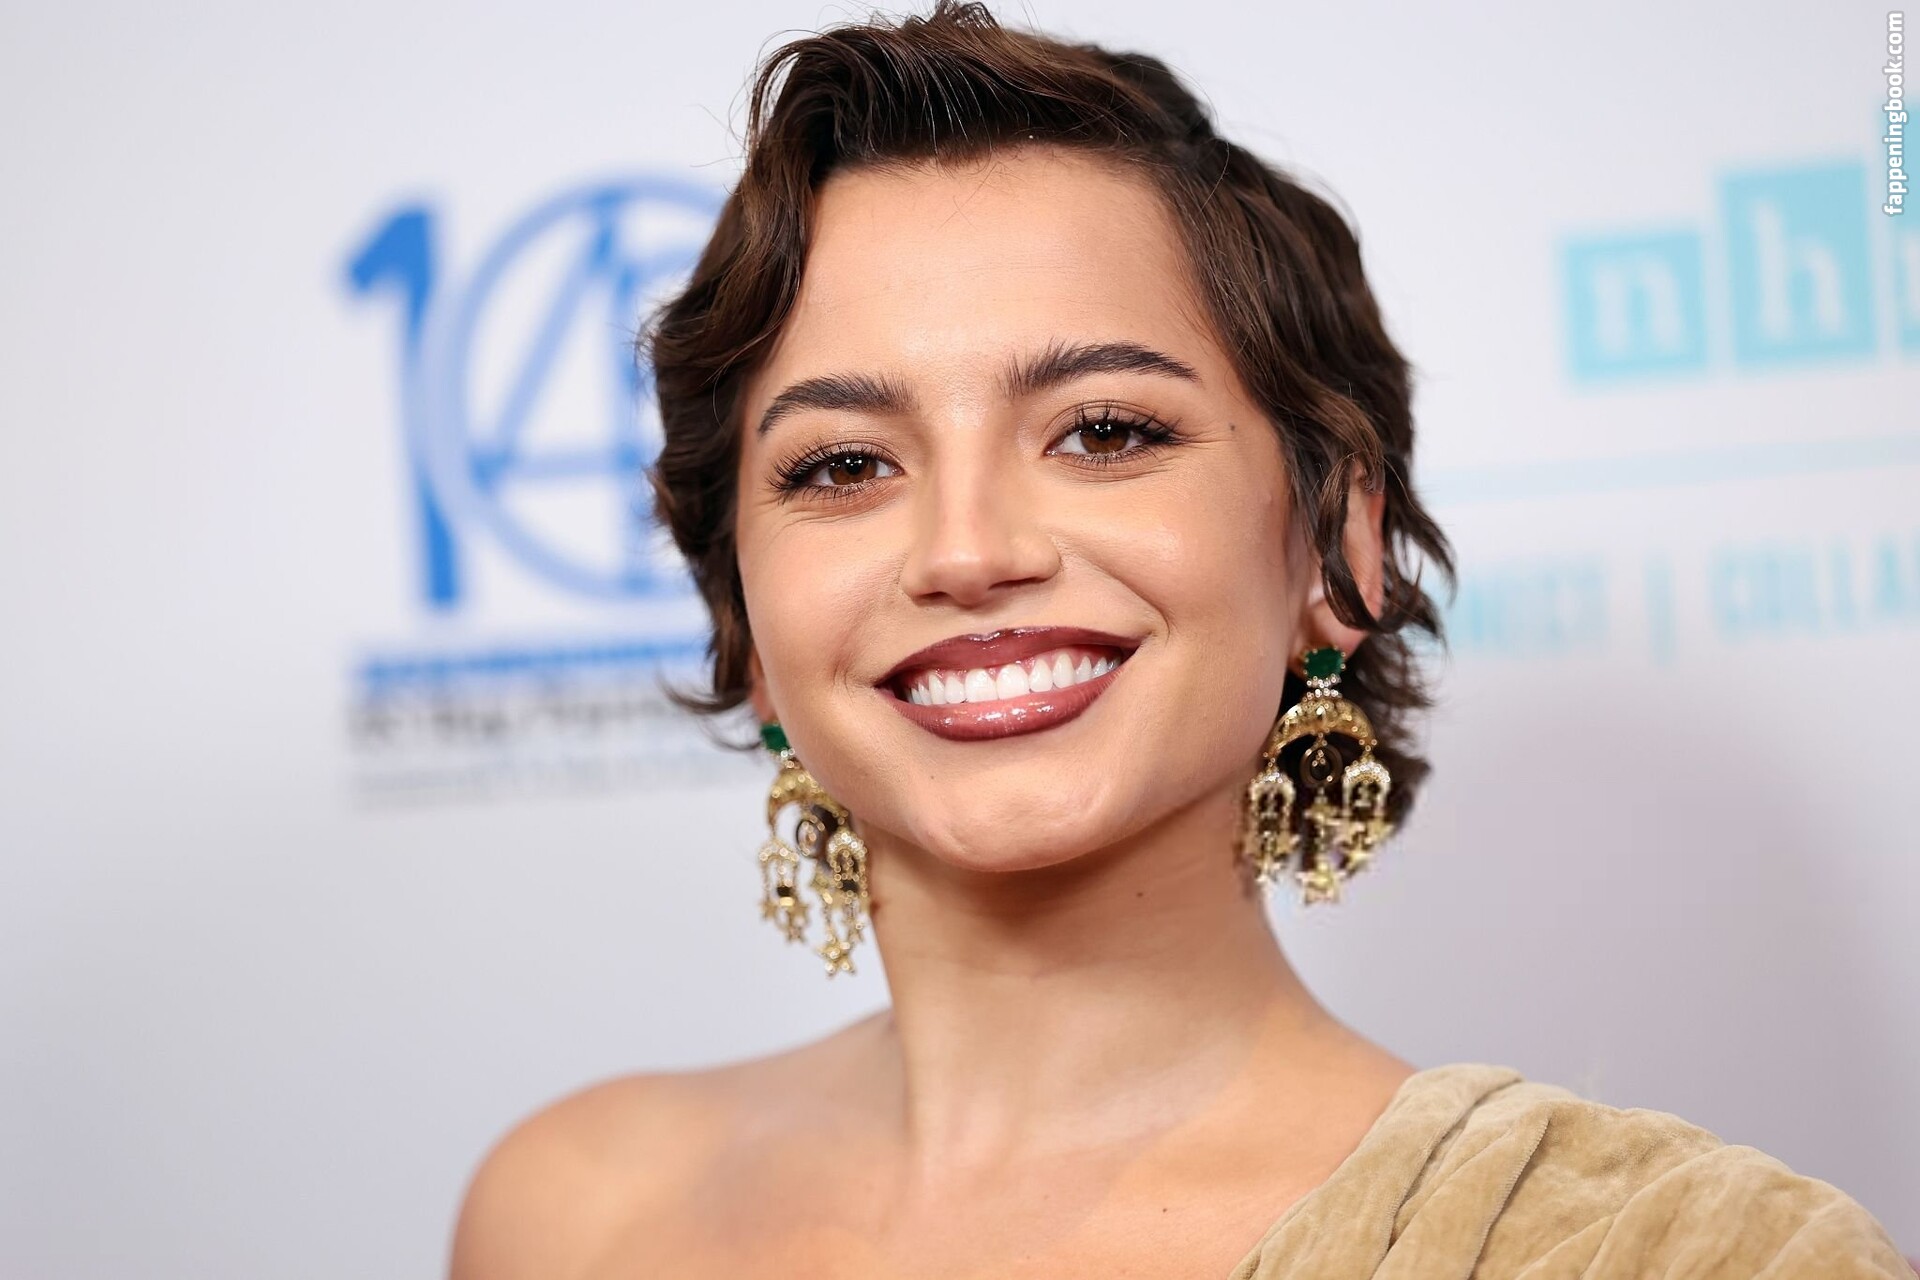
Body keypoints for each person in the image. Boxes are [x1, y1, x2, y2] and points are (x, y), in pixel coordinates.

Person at [447, 3, 1911, 1276]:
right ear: (744, 621)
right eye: (843, 464)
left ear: (1333, 549)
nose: (967, 551)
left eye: (1104, 432)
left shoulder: (1679, 1252)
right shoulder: (572, 1215)